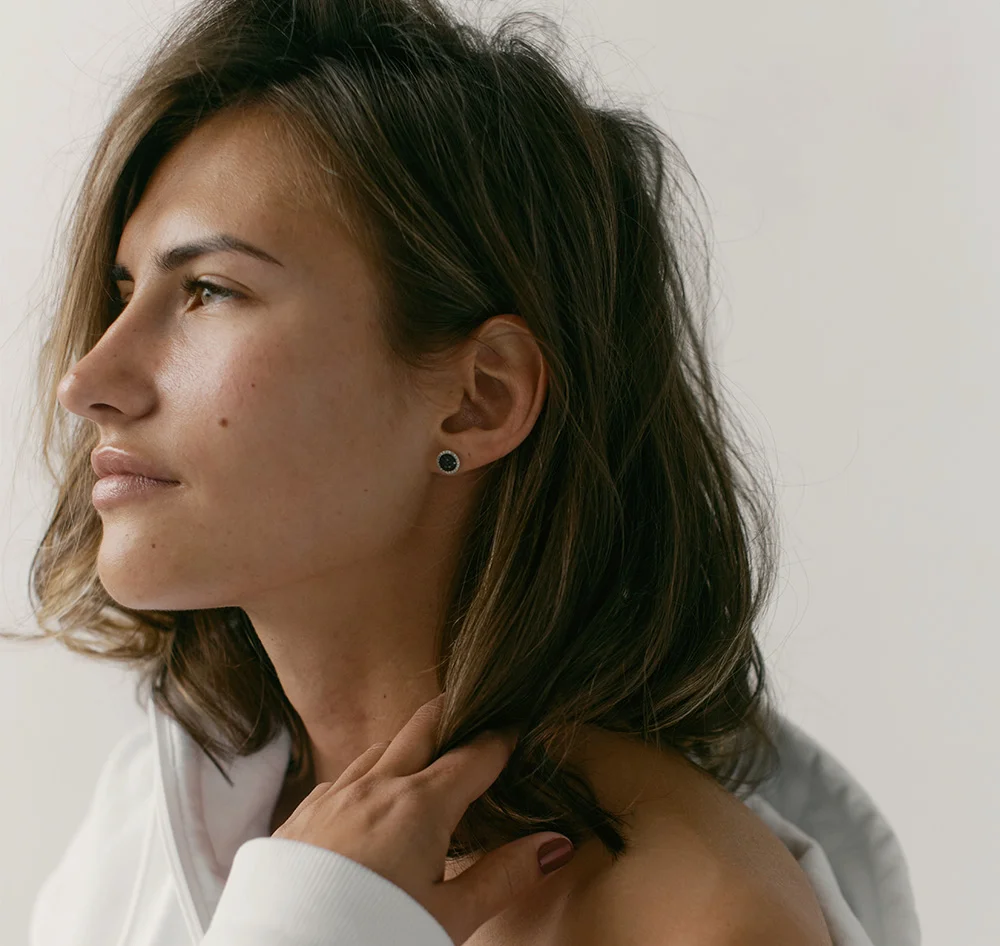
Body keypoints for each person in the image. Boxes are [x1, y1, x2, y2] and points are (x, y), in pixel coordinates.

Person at [14, 1, 918, 944]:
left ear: (479, 398)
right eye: (125, 294)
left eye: (208, 291)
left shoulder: (690, 917)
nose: (90, 381)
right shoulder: (144, 822)